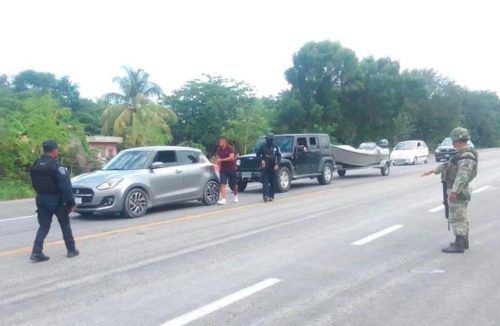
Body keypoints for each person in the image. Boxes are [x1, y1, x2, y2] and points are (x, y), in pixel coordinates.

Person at [421, 127, 478, 253]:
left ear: (457, 140)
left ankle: (459, 243)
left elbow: (463, 175)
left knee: (457, 217)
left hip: (458, 190)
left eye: (454, 140)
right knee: (460, 215)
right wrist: (433, 171)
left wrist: (455, 191)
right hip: (456, 189)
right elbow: (448, 165)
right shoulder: (460, 154)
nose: (453, 143)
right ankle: (462, 241)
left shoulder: (466, 155)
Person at [29, 140, 79, 262]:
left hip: (41, 199)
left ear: (44, 150)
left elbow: (34, 184)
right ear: (54, 150)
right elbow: (65, 187)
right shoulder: (57, 166)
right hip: (57, 201)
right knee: (65, 224)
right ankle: (71, 250)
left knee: (43, 226)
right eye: (57, 149)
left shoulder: (35, 165)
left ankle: (36, 251)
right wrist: (71, 203)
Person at [257, 133, 282, 202]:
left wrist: (277, 164)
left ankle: (271, 196)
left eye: (269, 139)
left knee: (273, 181)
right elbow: (258, 154)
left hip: (273, 166)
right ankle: (265, 195)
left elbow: (279, 156)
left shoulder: (275, 147)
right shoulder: (263, 146)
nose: (268, 140)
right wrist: (261, 160)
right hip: (265, 166)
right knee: (265, 181)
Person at [215, 137, 239, 205]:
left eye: (221, 141)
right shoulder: (219, 149)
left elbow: (231, 158)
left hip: (231, 168)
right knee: (222, 183)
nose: (220, 143)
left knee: (234, 184)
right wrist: (216, 165)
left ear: (225, 142)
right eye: (219, 142)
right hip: (223, 169)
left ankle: (236, 196)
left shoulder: (230, 148)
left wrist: (222, 160)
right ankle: (224, 199)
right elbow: (217, 158)